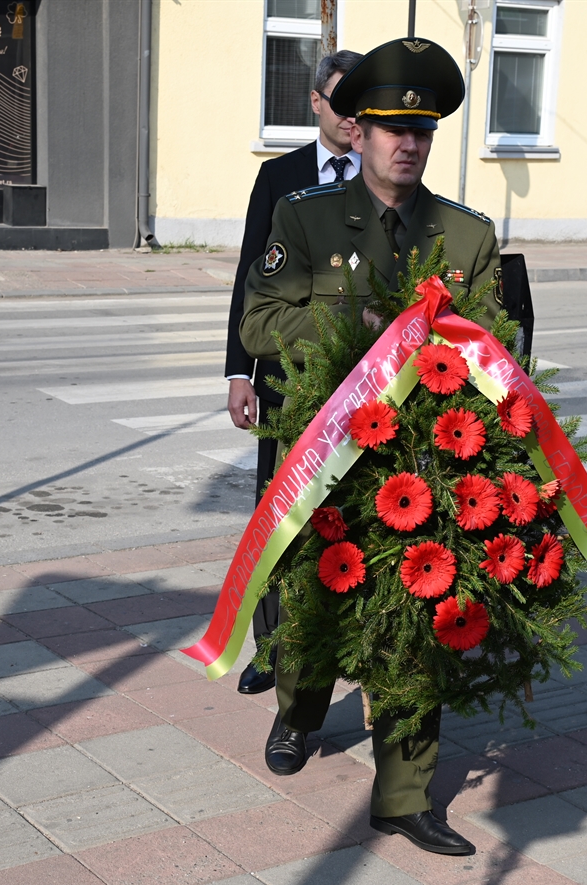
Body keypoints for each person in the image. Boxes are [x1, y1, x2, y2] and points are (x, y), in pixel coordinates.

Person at [239, 37, 503, 857]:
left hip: (421, 466)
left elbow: (498, 350)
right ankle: (298, 711)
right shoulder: (306, 217)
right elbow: (259, 321)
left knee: (414, 624)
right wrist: (353, 322)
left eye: (421, 130)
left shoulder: (466, 237)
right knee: (312, 606)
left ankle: (404, 796)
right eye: (393, 127)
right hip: (325, 456)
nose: (408, 143)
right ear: (358, 131)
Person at [227, 49, 364, 696]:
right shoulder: (278, 176)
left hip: (361, 383)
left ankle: (339, 645)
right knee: (275, 513)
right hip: (285, 379)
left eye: (363, 105)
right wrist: (239, 373)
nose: (352, 116)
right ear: (315, 102)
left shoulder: (384, 179)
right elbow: (249, 277)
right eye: (341, 102)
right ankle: (269, 648)